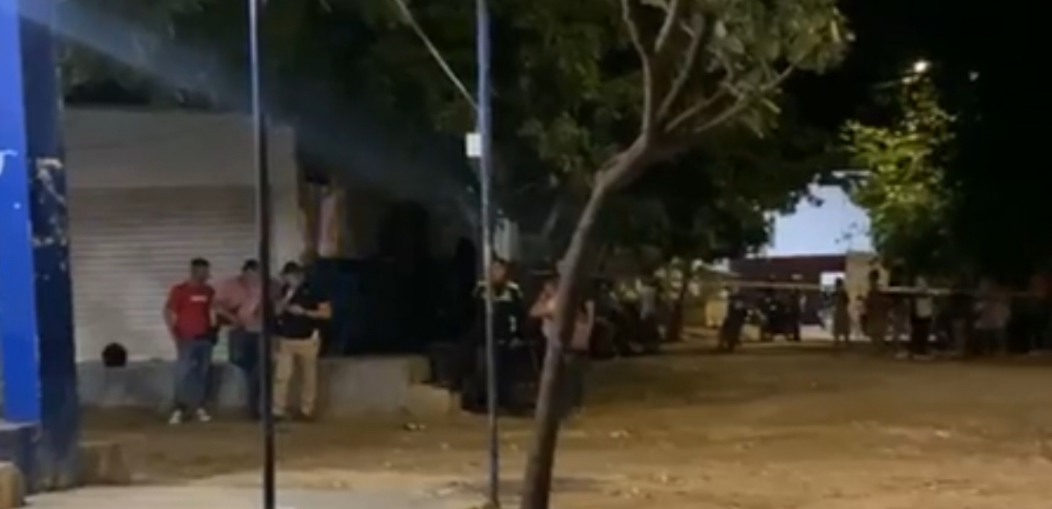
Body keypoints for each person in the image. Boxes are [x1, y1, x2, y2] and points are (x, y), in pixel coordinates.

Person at [461, 258, 529, 414]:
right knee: (481, 367)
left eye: (501, 270)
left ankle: (503, 401)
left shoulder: (513, 291)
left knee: (503, 369)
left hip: (505, 338)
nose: (497, 273)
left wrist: (517, 335)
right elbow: (471, 313)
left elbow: (520, 315)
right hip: (482, 337)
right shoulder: (481, 289)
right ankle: (479, 401)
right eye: (494, 269)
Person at [273, 262, 332, 421]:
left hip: (308, 338)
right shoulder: (284, 290)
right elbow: (276, 311)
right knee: (282, 376)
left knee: (308, 376)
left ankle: (306, 409)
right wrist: (286, 299)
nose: (287, 280)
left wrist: (304, 312)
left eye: (289, 277)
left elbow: (326, 313)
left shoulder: (315, 289)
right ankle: (278, 409)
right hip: (287, 339)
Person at [530, 274, 594, 417]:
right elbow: (534, 312)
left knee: (569, 378)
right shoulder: (555, 301)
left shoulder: (563, 301)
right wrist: (544, 300)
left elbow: (580, 318)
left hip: (571, 346)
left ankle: (571, 407)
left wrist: (550, 307)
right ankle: (566, 407)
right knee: (563, 378)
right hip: (559, 345)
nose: (545, 290)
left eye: (549, 287)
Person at [164, 257, 217, 425]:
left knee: (202, 373)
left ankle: (199, 405)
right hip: (186, 338)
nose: (207, 275)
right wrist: (174, 334)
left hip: (205, 338)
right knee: (183, 373)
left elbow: (211, 311)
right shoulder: (180, 291)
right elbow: (169, 312)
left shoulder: (208, 291)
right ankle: (179, 407)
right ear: (195, 271)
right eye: (204, 271)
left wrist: (213, 329)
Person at [215, 259, 267, 420]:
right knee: (244, 366)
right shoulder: (230, 286)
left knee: (258, 370)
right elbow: (217, 305)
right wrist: (232, 317)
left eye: (257, 274)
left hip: (258, 332)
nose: (254, 278)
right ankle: (252, 404)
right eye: (251, 274)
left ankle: (254, 407)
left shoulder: (265, 286)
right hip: (239, 332)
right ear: (244, 272)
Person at [906, 276, 934, 359]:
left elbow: (930, 304)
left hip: (926, 316)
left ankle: (922, 350)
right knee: (917, 334)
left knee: (924, 334)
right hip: (918, 316)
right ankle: (915, 350)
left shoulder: (928, 293)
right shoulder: (914, 294)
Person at [831, 278, 852, 346]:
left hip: (839, 311)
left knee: (839, 326)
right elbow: (847, 301)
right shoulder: (842, 293)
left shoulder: (837, 293)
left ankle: (839, 340)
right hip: (841, 310)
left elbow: (832, 302)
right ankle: (843, 340)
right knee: (842, 326)